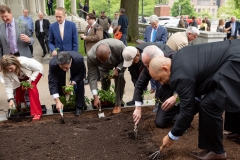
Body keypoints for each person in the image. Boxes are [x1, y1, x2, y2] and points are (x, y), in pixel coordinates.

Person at [148, 40, 240, 160]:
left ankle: (217, 152)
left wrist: (172, 135)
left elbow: (187, 112)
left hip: (235, 63)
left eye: (160, 79)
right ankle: (237, 133)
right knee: (230, 93)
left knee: (209, 105)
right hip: (234, 53)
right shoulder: (178, 56)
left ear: (165, 68)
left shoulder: (180, 76)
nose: (162, 83)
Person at [132, 45, 181, 128]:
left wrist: (176, 97)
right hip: (167, 89)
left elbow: (192, 84)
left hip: (183, 90)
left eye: (148, 65)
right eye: (146, 65)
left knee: (184, 111)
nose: (147, 68)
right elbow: (140, 85)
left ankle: (182, 117)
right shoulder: (149, 65)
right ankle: (174, 113)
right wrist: (138, 108)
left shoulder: (177, 59)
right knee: (160, 122)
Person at [87, 38, 126, 114]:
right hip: (104, 68)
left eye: (104, 60)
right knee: (104, 78)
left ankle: (118, 103)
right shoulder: (91, 56)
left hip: (119, 62)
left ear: (109, 52)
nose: (102, 62)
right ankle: (105, 98)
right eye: (100, 60)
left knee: (120, 77)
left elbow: (127, 59)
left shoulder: (119, 46)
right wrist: (95, 96)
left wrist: (117, 69)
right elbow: (92, 77)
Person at [0, 54, 44, 120]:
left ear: (15, 64)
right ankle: (22, 108)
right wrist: (10, 99)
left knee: (31, 88)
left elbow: (38, 68)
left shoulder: (24, 61)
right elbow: (8, 86)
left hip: (34, 72)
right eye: (7, 69)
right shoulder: (5, 72)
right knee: (18, 93)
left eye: (11, 68)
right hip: (20, 77)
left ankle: (37, 113)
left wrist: (30, 80)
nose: (9, 70)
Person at [48, 51, 86, 116]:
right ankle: (62, 104)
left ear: (71, 61)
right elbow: (52, 83)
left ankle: (79, 107)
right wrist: (57, 101)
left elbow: (81, 74)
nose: (64, 69)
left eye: (66, 67)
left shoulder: (79, 59)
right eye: (61, 67)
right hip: (60, 77)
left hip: (74, 74)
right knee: (59, 85)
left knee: (80, 83)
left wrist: (73, 82)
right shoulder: (53, 64)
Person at [143, 14, 168, 94]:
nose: (153, 26)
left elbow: (163, 41)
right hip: (148, 51)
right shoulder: (148, 28)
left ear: (158, 22)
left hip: (157, 52)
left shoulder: (163, 30)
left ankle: (156, 87)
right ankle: (153, 87)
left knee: (155, 69)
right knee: (148, 69)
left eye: (154, 24)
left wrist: (153, 43)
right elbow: (145, 38)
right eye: (152, 24)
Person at [80, 13, 103, 84]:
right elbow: (87, 35)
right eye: (86, 19)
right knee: (92, 63)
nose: (87, 20)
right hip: (88, 48)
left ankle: (89, 78)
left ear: (93, 19)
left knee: (92, 63)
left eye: (88, 19)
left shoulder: (98, 27)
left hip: (95, 49)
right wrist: (83, 36)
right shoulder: (88, 27)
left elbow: (99, 37)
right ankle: (96, 77)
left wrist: (86, 38)